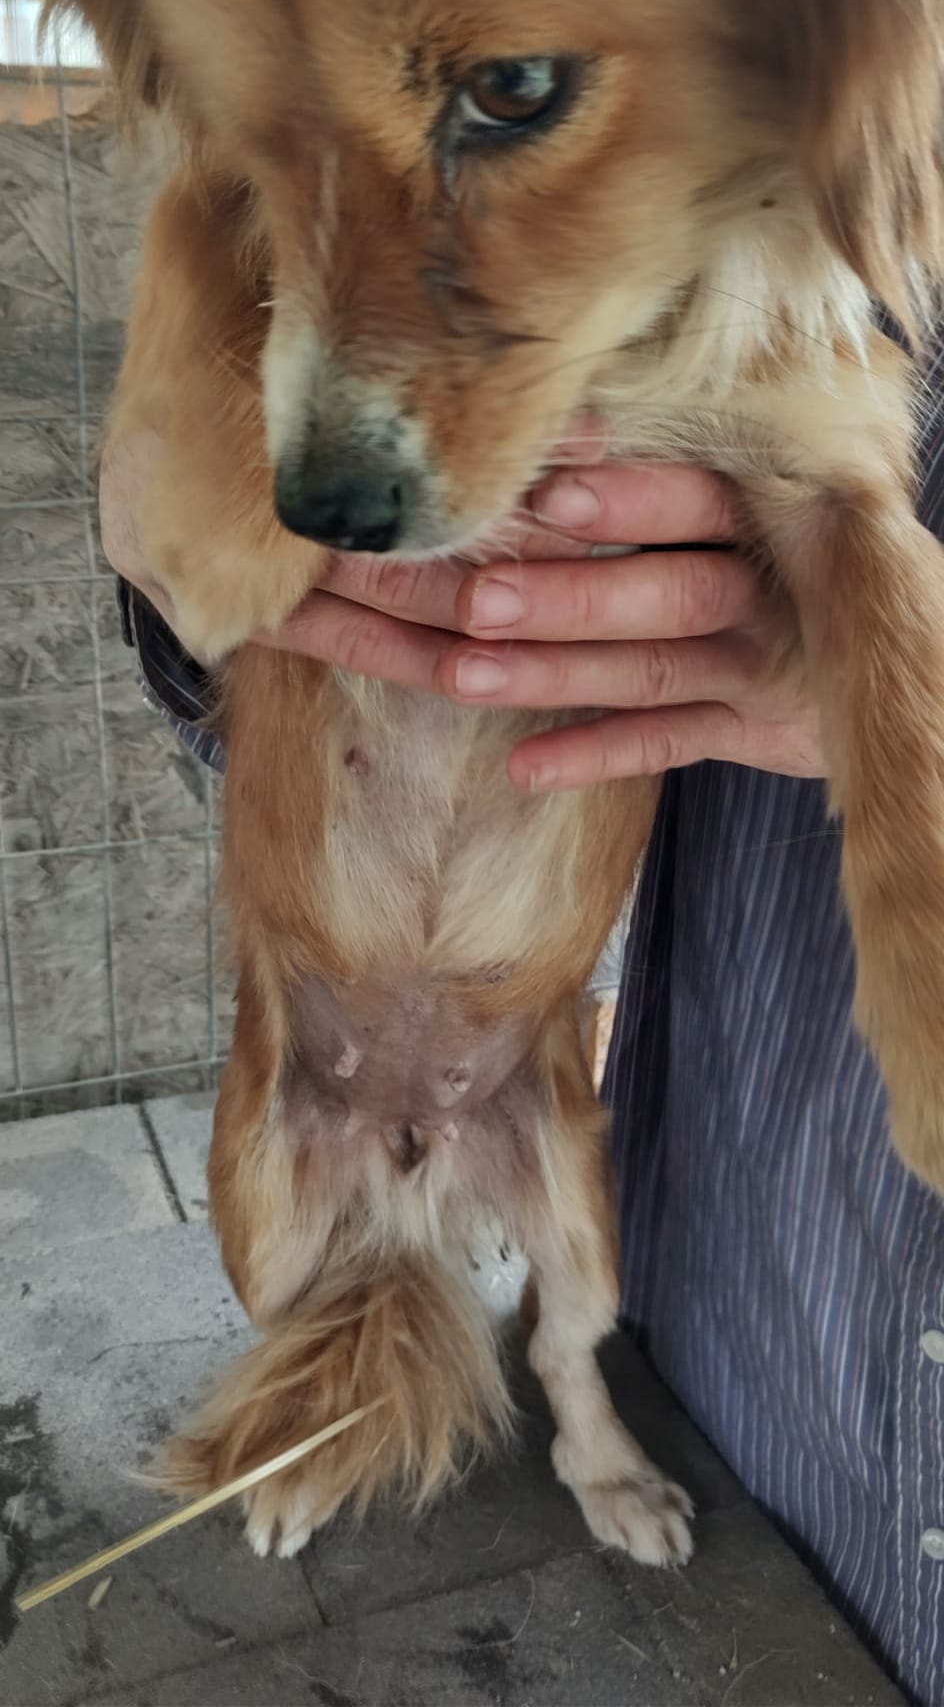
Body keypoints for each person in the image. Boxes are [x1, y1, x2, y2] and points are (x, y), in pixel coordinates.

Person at [103, 333, 944, 1705]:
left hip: (599, 1099)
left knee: (574, 1295)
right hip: (729, 1267)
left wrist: (893, 675)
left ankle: (581, 1421)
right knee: (285, 1259)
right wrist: (181, 499)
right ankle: (328, 1408)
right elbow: (216, 614)